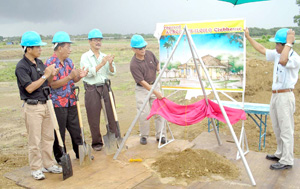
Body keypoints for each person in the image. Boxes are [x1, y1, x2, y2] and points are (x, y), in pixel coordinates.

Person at [245, 28, 300, 170]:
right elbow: (262, 49)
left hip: (285, 96)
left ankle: (287, 160)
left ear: (285, 44)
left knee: (286, 128)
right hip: (275, 95)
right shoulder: (277, 54)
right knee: (277, 126)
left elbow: (283, 61)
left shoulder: (293, 58)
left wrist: (289, 43)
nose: (275, 47)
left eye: (278, 44)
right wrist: (248, 37)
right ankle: (280, 153)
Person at [15, 31, 62, 180]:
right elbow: (29, 88)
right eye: (38, 47)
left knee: (48, 137)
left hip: (45, 103)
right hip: (32, 106)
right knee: (34, 140)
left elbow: (47, 82)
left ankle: (48, 164)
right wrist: (45, 75)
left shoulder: (40, 63)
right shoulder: (21, 67)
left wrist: (52, 74)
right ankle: (36, 168)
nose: (40, 49)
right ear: (28, 48)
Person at [45, 31, 88, 164]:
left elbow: (73, 80)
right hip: (57, 104)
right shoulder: (50, 63)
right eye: (68, 47)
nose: (70, 49)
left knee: (76, 128)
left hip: (70, 100)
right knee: (59, 132)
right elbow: (52, 84)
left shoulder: (69, 62)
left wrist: (80, 75)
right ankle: (60, 158)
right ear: (59, 48)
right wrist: (69, 77)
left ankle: (80, 153)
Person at [80, 29, 118, 151]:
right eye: (95, 40)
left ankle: (114, 138)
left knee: (111, 114)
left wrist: (110, 64)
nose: (98, 42)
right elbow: (87, 74)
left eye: (100, 40)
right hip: (92, 89)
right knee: (93, 117)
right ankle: (97, 143)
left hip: (105, 87)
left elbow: (112, 72)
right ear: (90, 41)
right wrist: (101, 64)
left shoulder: (104, 56)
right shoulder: (85, 57)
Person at [129, 34, 166, 145]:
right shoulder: (134, 64)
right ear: (134, 49)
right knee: (144, 113)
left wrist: (159, 69)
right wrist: (156, 93)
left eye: (144, 47)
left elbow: (157, 63)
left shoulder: (149, 54)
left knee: (159, 112)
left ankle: (161, 136)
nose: (143, 49)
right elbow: (142, 82)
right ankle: (144, 136)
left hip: (155, 84)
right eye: (140, 48)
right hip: (143, 89)